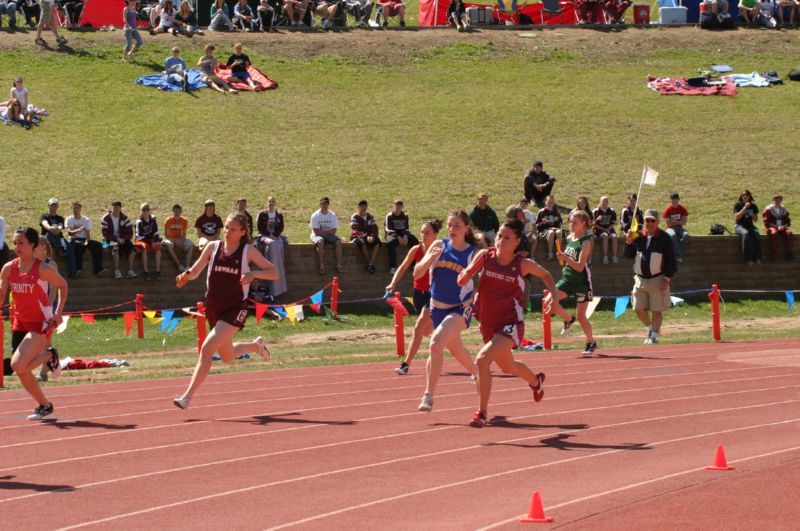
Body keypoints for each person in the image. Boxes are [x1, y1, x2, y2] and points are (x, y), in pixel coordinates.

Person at [460, 219, 560, 427]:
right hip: (487, 323)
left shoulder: (521, 264)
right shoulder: (485, 257)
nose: (500, 241)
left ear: (517, 241)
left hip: (511, 324)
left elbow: (546, 274)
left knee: (482, 360)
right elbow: (466, 274)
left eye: (506, 238)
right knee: (508, 366)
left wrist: (555, 296)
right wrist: (463, 276)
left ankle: (481, 412)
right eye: (499, 236)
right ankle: (535, 381)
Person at [173, 213, 277, 409]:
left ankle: (186, 397)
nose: (228, 232)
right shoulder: (213, 247)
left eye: (233, 229)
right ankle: (257, 346)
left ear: (243, 232)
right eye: (227, 228)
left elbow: (274, 272)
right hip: (214, 306)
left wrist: (253, 273)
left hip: (235, 307)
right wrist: (185, 276)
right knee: (227, 356)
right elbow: (195, 271)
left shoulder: (248, 251)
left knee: (207, 349)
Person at [413, 210, 478, 412]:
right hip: (437, 307)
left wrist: (476, 300)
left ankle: (428, 396)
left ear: (467, 228)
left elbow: (483, 281)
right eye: (450, 225)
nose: (452, 229)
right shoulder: (439, 246)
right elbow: (417, 273)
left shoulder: (473, 253)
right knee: (456, 348)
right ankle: (478, 373)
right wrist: (427, 259)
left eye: (457, 225)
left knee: (436, 343)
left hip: (460, 307)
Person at [0, 227, 68, 420]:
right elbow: (1, 296)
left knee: (17, 364)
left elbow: (63, 285)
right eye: (14, 243)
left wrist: (58, 312)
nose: (17, 247)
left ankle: (48, 355)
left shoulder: (43, 269)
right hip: (20, 322)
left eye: (21, 243)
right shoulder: (8, 268)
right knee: (21, 369)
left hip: (41, 322)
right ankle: (44, 405)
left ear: (33, 245)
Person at [387, 220, 440, 376]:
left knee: (418, 326)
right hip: (418, 293)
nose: (423, 235)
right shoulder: (416, 249)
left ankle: (406, 364)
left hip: (434, 292)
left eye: (427, 233)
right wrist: (392, 283)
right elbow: (403, 267)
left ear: (435, 235)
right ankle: (443, 333)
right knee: (425, 331)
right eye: (422, 232)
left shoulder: (440, 251)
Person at [545, 210, 597, 357]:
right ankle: (568, 319)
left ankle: (591, 342)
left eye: (575, 223)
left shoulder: (586, 242)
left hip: (581, 282)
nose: (572, 225)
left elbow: (580, 267)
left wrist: (565, 258)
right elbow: (568, 259)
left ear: (583, 224)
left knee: (582, 316)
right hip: (567, 279)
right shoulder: (570, 237)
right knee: (549, 302)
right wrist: (564, 259)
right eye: (571, 222)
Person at [623, 209, 678, 345]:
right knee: (637, 308)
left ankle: (654, 335)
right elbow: (628, 255)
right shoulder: (638, 236)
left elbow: (672, 260)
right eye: (647, 220)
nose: (650, 223)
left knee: (656, 309)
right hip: (640, 279)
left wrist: (667, 278)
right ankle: (650, 328)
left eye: (652, 220)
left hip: (658, 279)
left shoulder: (665, 238)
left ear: (658, 222)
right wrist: (629, 242)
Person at [255, 196, 288, 298]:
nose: (271, 203)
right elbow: (259, 227)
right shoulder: (262, 214)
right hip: (264, 236)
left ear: (275, 203)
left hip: (275, 236)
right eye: (269, 202)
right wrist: (269, 235)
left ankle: (279, 263)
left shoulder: (279, 215)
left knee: (280, 243)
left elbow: (281, 227)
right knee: (273, 244)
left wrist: (276, 235)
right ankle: (271, 262)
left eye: (273, 202)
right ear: (267, 203)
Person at [64, 201, 105, 278]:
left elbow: (87, 233)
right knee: (78, 245)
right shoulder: (69, 219)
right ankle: (78, 269)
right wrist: (79, 229)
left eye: (77, 208)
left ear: (80, 209)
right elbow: (70, 233)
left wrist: (87, 241)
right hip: (74, 239)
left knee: (98, 245)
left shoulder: (86, 219)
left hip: (84, 239)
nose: (75, 210)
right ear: (71, 209)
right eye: (74, 208)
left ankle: (98, 269)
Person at [101, 200, 137, 279]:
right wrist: (117, 239)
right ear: (112, 208)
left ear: (120, 208)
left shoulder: (125, 218)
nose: (116, 209)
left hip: (123, 239)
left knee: (132, 249)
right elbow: (105, 233)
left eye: (118, 207)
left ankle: (130, 271)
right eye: (114, 207)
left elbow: (130, 232)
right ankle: (116, 270)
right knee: (115, 248)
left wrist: (124, 239)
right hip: (109, 240)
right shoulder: (106, 218)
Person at [310, 196, 343, 275]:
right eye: (322, 204)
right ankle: (321, 266)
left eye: (326, 204)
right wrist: (327, 232)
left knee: (338, 242)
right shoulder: (315, 215)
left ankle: (339, 265)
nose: (324, 205)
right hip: (317, 235)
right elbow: (316, 231)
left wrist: (325, 232)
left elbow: (334, 231)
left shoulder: (333, 215)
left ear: (328, 204)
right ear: (320, 205)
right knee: (321, 242)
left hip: (328, 234)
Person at [39, 198, 75, 269]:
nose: (54, 207)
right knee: (50, 233)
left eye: (55, 205)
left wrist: (56, 229)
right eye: (52, 205)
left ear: (57, 206)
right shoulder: (44, 216)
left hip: (59, 238)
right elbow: (45, 225)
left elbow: (60, 227)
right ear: (48, 206)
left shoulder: (60, 218)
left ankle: (73, 271)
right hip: (47, 238)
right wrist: (51, 228)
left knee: (70, 247)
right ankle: (59, 249)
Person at [385, 199, 419, 274]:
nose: (398, 208)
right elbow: (389, 229)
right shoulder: (390, 216)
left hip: (402, 235)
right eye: (396, 206)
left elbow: (406, 228)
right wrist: (398, 237)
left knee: (415, 241)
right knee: (391, 243)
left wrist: (405, 236)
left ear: (402, 207)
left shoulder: (405, 216)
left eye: (399, 206)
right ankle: (392, 267)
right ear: (393, 206)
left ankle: (413, 264)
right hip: (392, 235)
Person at [350, 200, 382, 273]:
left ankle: (371, 263)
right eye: (362, 206)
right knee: (362, 243)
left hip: (369, 237)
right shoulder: (355, 217)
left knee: (377, 242)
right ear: (358, 207)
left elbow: (374, 228)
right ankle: (367, 263)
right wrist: (366, 236)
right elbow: (355, 229)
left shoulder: (370, 217)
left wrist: (372, 236)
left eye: (365, 206)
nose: (364, 208)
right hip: (357, 236)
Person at [733, 189, 762, 265]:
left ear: (749, 196)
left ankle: (757, 257)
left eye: (747, 195)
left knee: (757, 235)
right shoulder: (738, 205)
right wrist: (744, 208)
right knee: (746, 234)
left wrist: (751, 214)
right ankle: (748, 258)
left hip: (750, 226)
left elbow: (755, 220)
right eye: (743, 195)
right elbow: (737, 217)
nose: (745, 196)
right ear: (741, 196)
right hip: (739, 226)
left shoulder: (753, 206)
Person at [162, 204, 194, 273]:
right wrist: (175, 240)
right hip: (170, 239)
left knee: (190, 244)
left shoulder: (184, 221)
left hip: (180, 239)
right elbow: (166, 236)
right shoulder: (168, 220)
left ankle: (187, 266)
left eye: (178, 211)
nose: (177, 213)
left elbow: (184, 235)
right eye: (175, 211)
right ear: (173, 211)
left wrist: (181, 241)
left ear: (181, 212)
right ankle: (179, 265)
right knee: (169, 245)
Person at [134, 203, 162, 280]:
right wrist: (151, 242)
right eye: (144, 210)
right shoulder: (139, 222)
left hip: (151, 240)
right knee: (145, 248)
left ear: (149, 211)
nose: (146, 211)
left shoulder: (153, 220)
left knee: (158, 247)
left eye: (147, 209)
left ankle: (157, 271)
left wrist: (156, 241)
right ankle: (145, 272)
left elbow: (156, 232)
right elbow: (139, 236)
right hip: (140, 240)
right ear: (141, 211)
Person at [762, 194, 793, 260]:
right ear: (773, 200)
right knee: (774, 233)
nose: (777, 200)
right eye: (776, 199)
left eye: (779, 199)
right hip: (772, 227)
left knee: (789, 233)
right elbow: (767, 222)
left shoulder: (784, 210)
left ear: (781, 200)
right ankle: (773, 254)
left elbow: (788, 222)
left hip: (782, 228)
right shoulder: (768, 210)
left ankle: (788, 253)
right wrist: (777, 227)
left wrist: (783, 226)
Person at [662, 192, 689, 263]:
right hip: (670, 229)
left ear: (678, 200)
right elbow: (668, 224)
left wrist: (674, 222)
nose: (674, 203)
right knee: (672, 235)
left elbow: (684, 222)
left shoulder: (682, 209)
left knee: (686, 235)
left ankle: (675, 251)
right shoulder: (668, 210)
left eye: (675, 201)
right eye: (672, 201)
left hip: (679, 228)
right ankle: (679, 256)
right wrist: (679, 221)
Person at [535, 195, 562, 261]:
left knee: (559, 232)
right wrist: (542, 223)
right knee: (551, 232)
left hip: (555, 229)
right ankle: (550, 254)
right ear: (545, 202)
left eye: (552, 202)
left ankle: (559, 253)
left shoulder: (556, 211)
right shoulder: (542, 212)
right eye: (548, 202)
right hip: (544, 231)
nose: (550, 204)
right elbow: (536, 226)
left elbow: (560, 224)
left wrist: (558, 224)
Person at [593, 195, 618, 264]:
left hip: (609, 230)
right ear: (600, 202)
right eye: (603, 201)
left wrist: (608, 229)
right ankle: (605, 256)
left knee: (614, 236)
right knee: (605, 235)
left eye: (606, 201)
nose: (604, 202)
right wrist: (604, 229)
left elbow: (613, 223)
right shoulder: (596, 211)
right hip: (599, 231)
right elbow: (594, 224)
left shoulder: (612, 211)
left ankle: (614, 256)